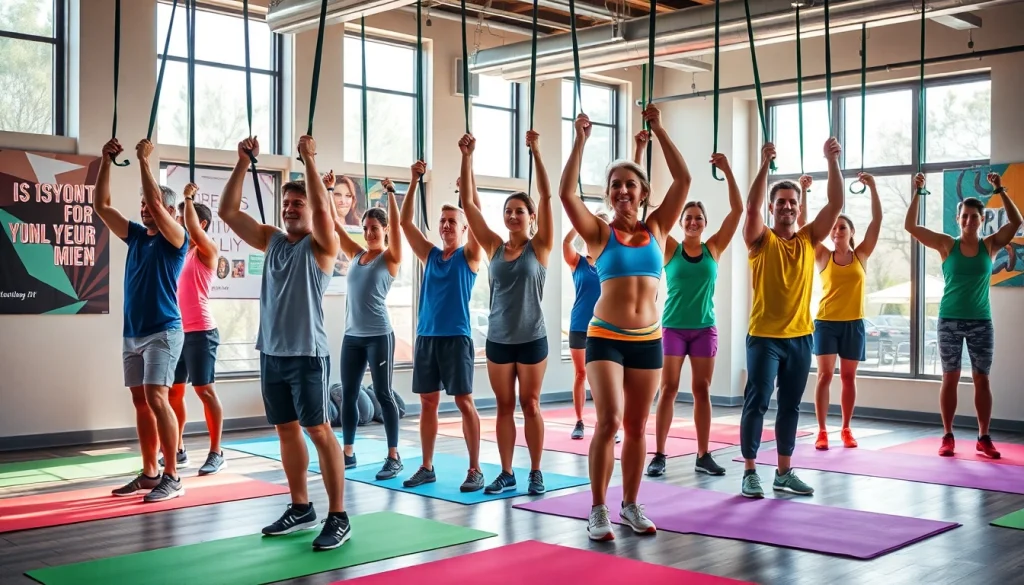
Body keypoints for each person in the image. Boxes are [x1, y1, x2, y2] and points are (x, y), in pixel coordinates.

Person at [561, 104, 690, 541]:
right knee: (610, 421)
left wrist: (660, 129)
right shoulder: (600, 233)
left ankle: (631, 504)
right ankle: (598, 509)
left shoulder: (658, 229)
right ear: (609, 193)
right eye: (615, 184)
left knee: (636, 428)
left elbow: (684, 180)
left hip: (649, 339)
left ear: (643, 191)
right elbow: (566, 194)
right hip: (605, 337)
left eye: (630, 184)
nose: (622, 190)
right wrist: (580, 140)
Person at [219, 136, 350, 550]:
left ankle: (338, 516)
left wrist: (309, 160)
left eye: (299, 204)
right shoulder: (272, 240)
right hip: (271, 352)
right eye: (287, 204)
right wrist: (243, 162)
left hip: (307, 354)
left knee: (319, 430)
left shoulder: (322, 246)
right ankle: (301, 506)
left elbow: (325, 213)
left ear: (312, 209)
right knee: (286, 430)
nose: (291, 209)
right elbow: (227, 212)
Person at [739, 138, 844, 499]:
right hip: (764, 337)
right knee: (757, 402)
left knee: (790, 406)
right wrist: (763, 165)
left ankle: (784, 472)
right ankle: (750, 472)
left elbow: (836, 204)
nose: (787, 206)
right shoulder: (760, 240)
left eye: (792, 202)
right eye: (781, 202)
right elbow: (750, 207)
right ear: (772, 208)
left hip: (801, 337)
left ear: (799, 209)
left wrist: (831, 161)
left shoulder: (808, 238)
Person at [457, 131, 553, 495]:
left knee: (531, 404)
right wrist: (467, 157)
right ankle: (507, 471)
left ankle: (536, 472)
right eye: (508, 211)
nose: (513, 216)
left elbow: (547, 196)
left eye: (519, 211)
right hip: (498, 338)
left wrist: (537, 151)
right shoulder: (494, 246)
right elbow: (469, 205)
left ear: (531, 217)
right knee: (504, 406)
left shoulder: (540, 247)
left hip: (532, 338)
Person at [95, 138, 188, 502]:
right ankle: (150, 473)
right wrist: (106, 161)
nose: (145, 208)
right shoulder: (136, 235)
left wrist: (144, 162)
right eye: (143, 205)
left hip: (164, 331)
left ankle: (172, 475)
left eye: (152, 204)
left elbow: (158, 206)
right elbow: (101, 206)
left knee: (157, 397)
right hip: (132, 333)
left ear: (169, 210)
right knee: (140, 401)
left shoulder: (176, 239)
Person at [904, 172, 1021, 458]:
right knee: (950, 377)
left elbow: (1016, 221)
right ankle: (947, 435)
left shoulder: (990, 245)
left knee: (982, 379)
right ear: (958, 219)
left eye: (974, 216)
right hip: (950, 321)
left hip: (981, 321)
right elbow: (911, 226)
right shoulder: (947, 244)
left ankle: (984, 437)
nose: (969, 220)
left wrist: (1000, 190)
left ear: (982, 220)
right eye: (964, 216)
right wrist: (918, 192)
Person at [646, 152, 743, 478]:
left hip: (704, 329)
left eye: (698, 218)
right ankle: (659, 454)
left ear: (705, 223)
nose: (693, 222)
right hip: (673, 328)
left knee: (702, 391)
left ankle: (703, 454)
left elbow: (737, 211)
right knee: (669, 389)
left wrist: (727, 170)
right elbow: (651, 217)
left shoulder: (713, 248)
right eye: (688, 217)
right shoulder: (670, 248)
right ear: (680, 222)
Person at [399, 153, 485, 493]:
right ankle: (427, 466)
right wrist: (413, 181)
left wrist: (468, 174)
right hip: (427, 337)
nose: (447, 225)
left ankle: (475, 469)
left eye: (453, 221)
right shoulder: (431, 255)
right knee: (427, 403)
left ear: (464, 228)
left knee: (464, 402)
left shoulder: (470, 256)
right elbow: (405, 223)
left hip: (456, 338)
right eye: (443, 221)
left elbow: (477, 218)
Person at [796, 173, 882, 450]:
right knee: (824, 376)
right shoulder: (823, 255)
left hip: (854, 324)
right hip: (826, 323)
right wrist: (804, 191)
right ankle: (822, 431)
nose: (836, 232)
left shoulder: (862, 255)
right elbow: (803, 225)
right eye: (833, 228)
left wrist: (873, 188)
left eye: (842, 228)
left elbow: (877, 221)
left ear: (851, 232)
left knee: (848, 378)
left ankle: (846, 429)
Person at [333, 165, 408, 481]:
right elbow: (336, 226)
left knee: (383, 393)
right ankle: (348, 453)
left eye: (375, 228)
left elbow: (398, 229)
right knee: (349, 394)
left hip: (379, 335)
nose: (369, 233)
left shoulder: (390, 258)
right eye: (365, 228)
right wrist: (327, 191)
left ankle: (393, 456)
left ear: (385, 230)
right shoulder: (356, 255)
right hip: (352, 336)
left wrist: (390, 194)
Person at [162, 187, 225, 475]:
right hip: (177, 331)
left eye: (185, 219)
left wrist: (187, 199)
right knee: (174, 393)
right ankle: (178, 449)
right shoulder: (179, 253)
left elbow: (192, 229)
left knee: (204, 391)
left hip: (201, 332)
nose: (180, 224)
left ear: (202, 225)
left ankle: (216, 452)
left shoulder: (206, 251)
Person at [562, 211, 611, 441]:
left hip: (604, 326)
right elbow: (566, 242)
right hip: (580, 325)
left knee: (603, 378)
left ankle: (606, 423)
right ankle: (579, 421)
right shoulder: (578, 262)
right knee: (581, 374)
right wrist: (581, 222)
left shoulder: (610, 263)